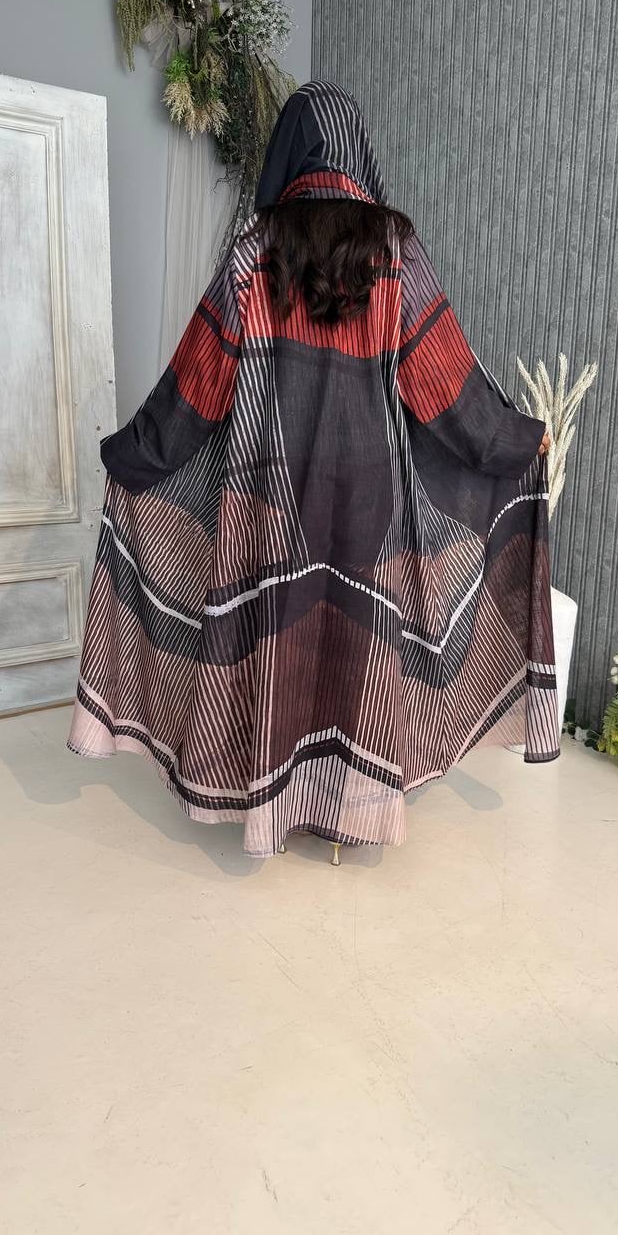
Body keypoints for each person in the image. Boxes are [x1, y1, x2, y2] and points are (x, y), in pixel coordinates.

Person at [68, 80, 559, 862]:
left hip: (266, 495)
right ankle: (349, 810)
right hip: (369, 493)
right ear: (359, 152)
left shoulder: (253, 253)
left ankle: (275, 804)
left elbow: (198, 384)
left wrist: (132, 455)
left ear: (287, 154)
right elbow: (442, 383)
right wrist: (516, 440)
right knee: (358, 639)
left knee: (279, 637)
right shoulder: (393, 254)